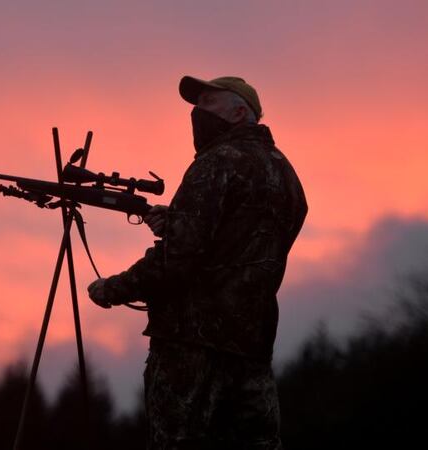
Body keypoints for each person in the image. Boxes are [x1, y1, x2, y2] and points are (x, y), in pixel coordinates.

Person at [87, 75, 307, 449]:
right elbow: (241, 246)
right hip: (251, 348)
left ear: (239, 112)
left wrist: (113, 288)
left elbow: (177, 261)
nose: (196, 111)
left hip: (191, 347)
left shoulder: (216, 162)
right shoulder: (286, 174)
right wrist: (178, 223)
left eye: (208, 102)